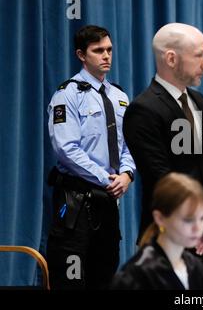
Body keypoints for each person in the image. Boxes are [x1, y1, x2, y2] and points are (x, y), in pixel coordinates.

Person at [123, 23, 203, 260]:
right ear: (171, 59)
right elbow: (163, 180)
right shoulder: (142, 110)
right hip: (167, 239)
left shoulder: (199, 102)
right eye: (199, 56)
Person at [46, 25, 135, 289]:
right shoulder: (67, 95)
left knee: (105, 276)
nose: (106, 55)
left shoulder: (119, 97)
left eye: (109, 49)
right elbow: (66, 148)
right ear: (81, 55)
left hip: (107, 203)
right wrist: (106, 178)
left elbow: (129, 145)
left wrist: (127, 174)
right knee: (71, 279)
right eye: (98, 51)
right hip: (76, 203)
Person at [110, 172, 203, 289]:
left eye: (202, 218)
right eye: (188, 220)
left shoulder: (199, 269)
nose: (198, 228)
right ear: (160, 218)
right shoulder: (136, 276)